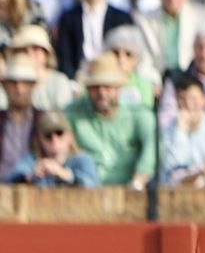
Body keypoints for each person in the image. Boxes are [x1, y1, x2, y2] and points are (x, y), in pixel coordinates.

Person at [65, 52, 155, 187]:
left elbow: (152, 147)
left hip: (132, 189)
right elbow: (59, 142)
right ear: (87, 89)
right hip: (86, 189)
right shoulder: (72, 113)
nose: (101, 93)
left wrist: (138, 181)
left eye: (107, 87)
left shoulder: (139, 113)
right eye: (95, 87)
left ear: (119, 87)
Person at [6, 110, 98, 186]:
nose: (54, 139)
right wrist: (29, 177)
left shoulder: (82, 159)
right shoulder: (32, 160)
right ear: (40, 139)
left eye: (59, 133)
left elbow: (92, 185)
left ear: (70, 135)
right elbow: (7, 182)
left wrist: (64, 174)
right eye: (48, 135)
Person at [160, 74, 205, 184]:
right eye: (182, 99)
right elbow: (174, 169)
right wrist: (180, 132)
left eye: (193, 99)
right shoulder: (168, 130)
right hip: (179, 188)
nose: (188, 104)